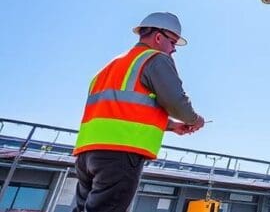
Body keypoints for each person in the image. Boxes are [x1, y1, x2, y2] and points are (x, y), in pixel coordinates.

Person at [72, 12, 205, 212]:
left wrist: (170, 125)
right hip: (119, 154)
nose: (173, 50)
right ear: (159, 37)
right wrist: (194, 119)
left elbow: (119, 109)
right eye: (172, 43)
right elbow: (176, 102)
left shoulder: (112, 66)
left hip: (87, 154)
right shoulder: (155, 59)